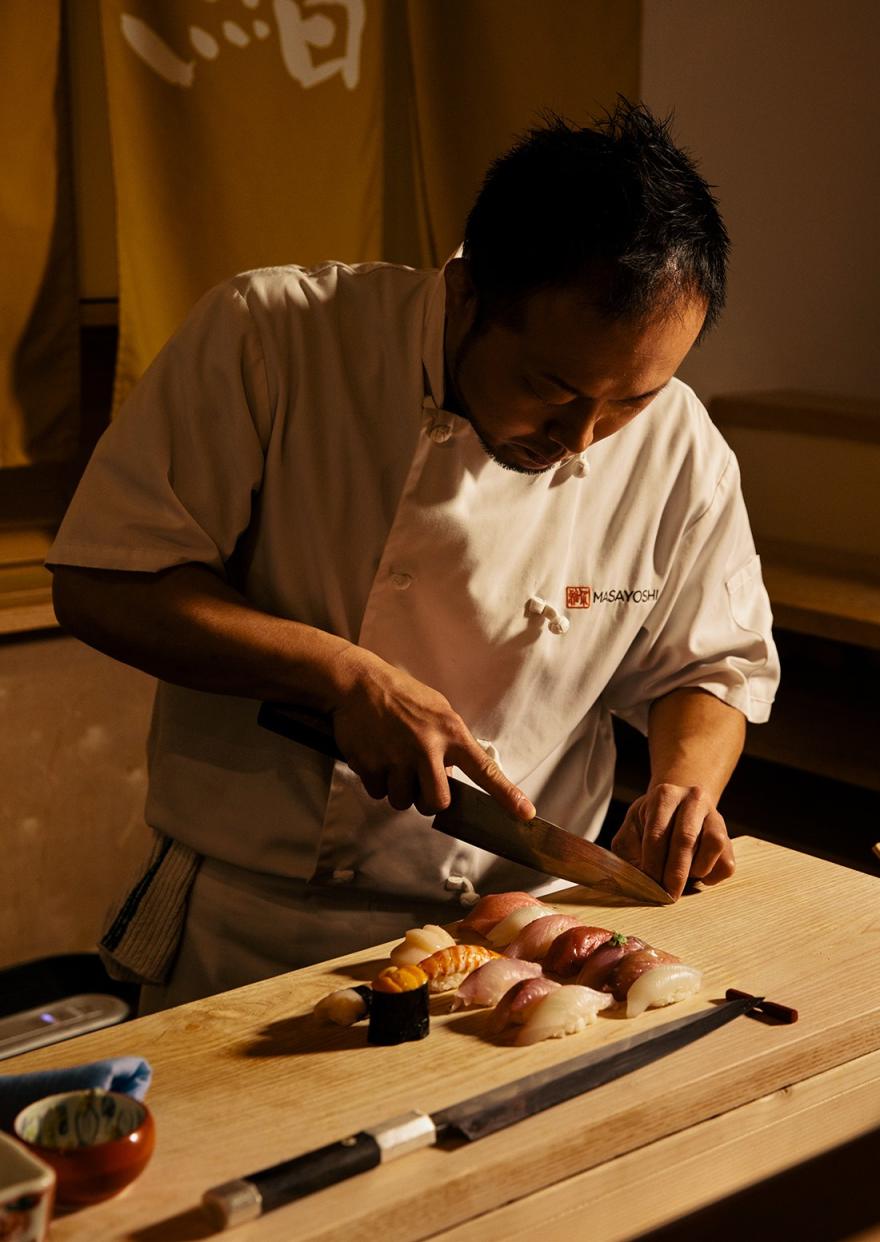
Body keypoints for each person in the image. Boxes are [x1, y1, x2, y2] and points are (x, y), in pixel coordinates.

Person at [48, 100, 779, 1012]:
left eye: (629, 400)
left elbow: (710, 665)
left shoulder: (680, 444)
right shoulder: (275, 337)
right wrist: (342, 675)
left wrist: (682, 785)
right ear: (468, 289)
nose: (582, 438)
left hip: (525, 941)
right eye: (550, 389)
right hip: (254, 928)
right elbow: (103, 581)